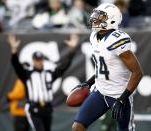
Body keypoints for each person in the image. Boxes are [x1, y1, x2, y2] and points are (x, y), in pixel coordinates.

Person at [71, 3, 143, 131]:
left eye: (100, 17)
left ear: (111, 20)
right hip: (100, 92)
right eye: (96, 15)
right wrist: (88, 83)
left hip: (119, 95)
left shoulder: (117, 39)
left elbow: (137, 72)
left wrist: (122, 99)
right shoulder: (94, 37)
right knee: (77, 127)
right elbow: (103, 67)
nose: (95, 19)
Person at [8, 33, 79, 131]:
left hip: (47, 108)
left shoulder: (48, 74)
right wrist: (14, 50)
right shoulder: (28, 75)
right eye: (37, 60)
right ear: (33, 61)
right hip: (34, 108)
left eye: (40, 59)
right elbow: (16, 66)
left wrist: (72, 50)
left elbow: (63, 67)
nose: (39, 62)